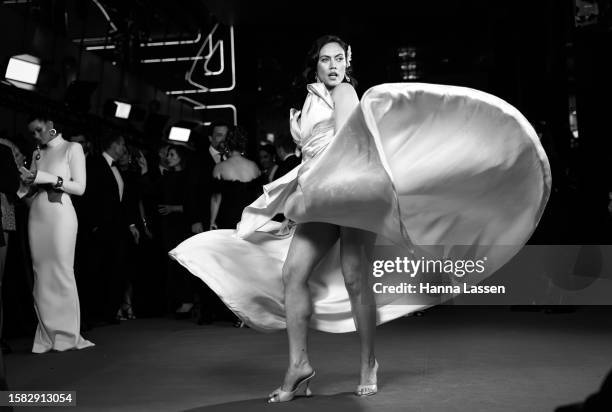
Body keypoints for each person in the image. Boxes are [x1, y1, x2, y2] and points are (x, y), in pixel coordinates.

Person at [170, 34, 551, 401]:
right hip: (320, 195)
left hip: (350, 192)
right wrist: (295, 204)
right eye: (325, 59)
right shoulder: (310, 99)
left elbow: (346, 149)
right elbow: (308, 161)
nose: (333, 65)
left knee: (355, 278)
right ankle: (298, 365)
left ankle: (368, 363)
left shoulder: (345, 92)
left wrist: (304, 198)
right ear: (315, 65)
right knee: (293, 273)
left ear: (348, 61)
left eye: (339, 58)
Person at [18, 114, 94, 353]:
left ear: (51, 125)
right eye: (32, 133)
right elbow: (29, 189)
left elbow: (79, 188)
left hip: (61, 215)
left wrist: (46, 178)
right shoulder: (37, 153)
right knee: (41, 272)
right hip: (38, 214)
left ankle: (68, 334)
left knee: (62, 269)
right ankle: (47, 334)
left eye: (39, 130)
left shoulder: (73, 148)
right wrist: (26, 182)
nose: (36, 136)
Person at [83, 132, 140, 326]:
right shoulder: (94, 164)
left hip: (118, 229)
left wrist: (130, 225)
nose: (124, 148)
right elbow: (89, 196)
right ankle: (90, 314)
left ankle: (109, 312)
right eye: (122, 144)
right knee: (95, 270)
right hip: (100, 229)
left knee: (116, 270)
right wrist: (94, 225)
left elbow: (122, 201)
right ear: (113, 145)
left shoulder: (117, 168)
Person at [211, 129, 262, 230]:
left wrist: (212, 221)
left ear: (227, 146)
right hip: (250, 218)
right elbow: (260, 196)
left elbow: (216, 199)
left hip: (227, 217)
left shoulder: (220, 167)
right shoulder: (254, 166)